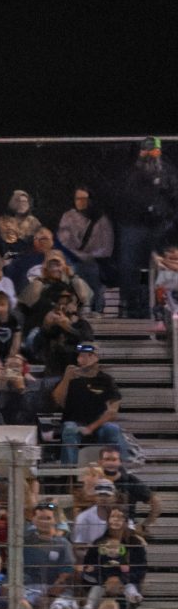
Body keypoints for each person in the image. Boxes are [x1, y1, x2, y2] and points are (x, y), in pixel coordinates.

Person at [108, 139, 178, 317]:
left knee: (164, 265)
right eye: (146, 152)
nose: (149, 156)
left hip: (160, 228)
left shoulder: (168, 173)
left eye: (153, 152)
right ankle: (129, 307)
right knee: (129, 265)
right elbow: (121, 197)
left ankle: (163, 307)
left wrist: (167, 216)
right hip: (133, 226)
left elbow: (174, 198)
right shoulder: (131, 173)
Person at [51, 342, 130, 463]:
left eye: (89, 355)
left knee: (113, 429)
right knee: (70, 429)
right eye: (81, 355)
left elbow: (112, 412)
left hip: (98, 424)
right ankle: (69, 475)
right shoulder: (70, 378)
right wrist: (66, 378)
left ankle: (120, 471)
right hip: (74, 422)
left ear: (97, 357)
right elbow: (58, 401)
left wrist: (91, 427)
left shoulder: (106, 380)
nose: (84, 358)